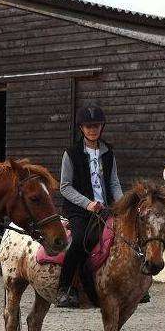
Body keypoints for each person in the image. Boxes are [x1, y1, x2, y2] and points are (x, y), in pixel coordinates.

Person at [56, 104, 124, 308]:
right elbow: (65, 187)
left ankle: (126, 286)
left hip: (105, 210)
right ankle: (66, 288)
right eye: (88, 126)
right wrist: (87, 204)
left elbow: (113, 183)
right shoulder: (71, 153)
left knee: (126, 238)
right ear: (81, 128)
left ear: (102, 127)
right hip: (79, 210)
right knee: (79, 241)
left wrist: (122, 205)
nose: (92, 129)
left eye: (96, 125)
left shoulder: (108, 153)